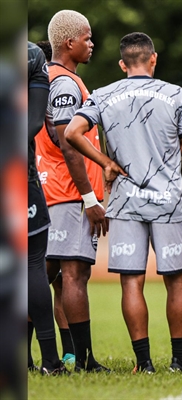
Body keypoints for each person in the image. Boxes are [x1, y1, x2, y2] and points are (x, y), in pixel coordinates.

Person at [65, 32, 182, 373]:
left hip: (125, 203)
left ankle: (144, 363)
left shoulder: (103, 95)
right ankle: (177, 362)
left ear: (123, 64)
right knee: (177, 281)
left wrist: (106, 163)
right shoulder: (174, 94)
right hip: (168, 200)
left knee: (131, 282)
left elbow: (71, 132)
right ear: (153, 59)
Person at [35, 10, 109, 373]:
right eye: (87, 37)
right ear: (69, 42)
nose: (92, 44)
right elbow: (68, 144)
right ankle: (83, 360)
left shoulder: (45, 78)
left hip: (52, 191)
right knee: (73, 274)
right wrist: (90, 198)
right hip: (67, 194)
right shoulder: (65, 83)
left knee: (43, 275)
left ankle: (51, 358)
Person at [28, 41, 68, 375]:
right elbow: (35, 126)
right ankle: (52, 361)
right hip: (23, 178)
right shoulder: (32, 55)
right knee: (33, 266)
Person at [35, 39, 75, 366]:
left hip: (40, 192)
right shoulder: (47, 101)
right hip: (55, 194)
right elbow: (64, 142)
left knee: (58, 280)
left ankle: (68, 354)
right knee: (43, 278)